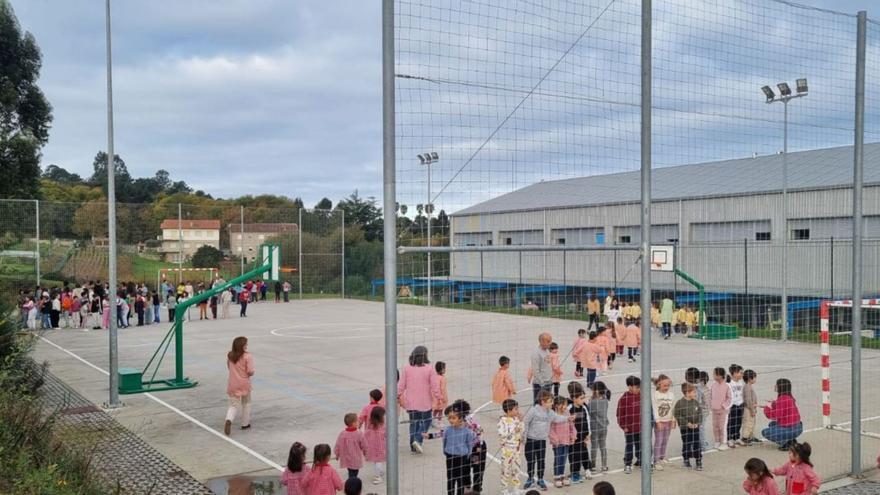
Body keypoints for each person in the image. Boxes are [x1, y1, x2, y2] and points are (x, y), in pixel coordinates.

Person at [522, 390, 570, 490]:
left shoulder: (550, 412)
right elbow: (525, 422)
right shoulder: (533, 411)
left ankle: (540, 478)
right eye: (550, 401)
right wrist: (524, 436)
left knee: (541, 460)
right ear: (543, 402)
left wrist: (567, 419)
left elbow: (557, 418)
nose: (552, 403)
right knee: (530, 460)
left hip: (541, 441)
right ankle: (530, 478)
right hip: (531, 440)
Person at [425, 404, 477, 495]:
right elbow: (444, 440)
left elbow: (470, 445)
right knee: (450, 479)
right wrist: (445, 451)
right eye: (449, 418)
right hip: (450, 457)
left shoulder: (468, 432)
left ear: (460, 418)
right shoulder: (447, 430)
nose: (451, 420)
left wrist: (468, 454)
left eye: (453, 418)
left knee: (461, 479)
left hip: (462, 458)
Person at [398, 345, 441, 454]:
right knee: (427, 421)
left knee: (414, 423)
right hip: (424, 402)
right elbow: (435, 385)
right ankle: (418, 440)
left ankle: (413, 445)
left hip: (411, 403)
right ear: (425, 355)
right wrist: (439, 397)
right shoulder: (429, 368)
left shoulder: (407, 368)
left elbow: (401, 385)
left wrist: (397, 394)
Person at [224, 336, 254, 436]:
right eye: (245, 344)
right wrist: (251, 373)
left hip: (233, 383)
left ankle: (229, 419)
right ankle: (245, 423)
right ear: (241, 346)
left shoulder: (230, 355)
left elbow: (229, 367)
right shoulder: (247, 356)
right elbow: (250, 371)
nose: (247, 345)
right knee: (246, 402)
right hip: (244, 383)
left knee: (233, 405)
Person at [761, 378, 803, 449]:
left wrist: (766, 408)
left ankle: (785, 444)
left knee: (765, 432)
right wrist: (772, 404)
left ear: (781, 387)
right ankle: (790, 439)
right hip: (797, 426)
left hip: (792, 429)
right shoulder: (788, 397)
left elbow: (774, 415)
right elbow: (779, 406)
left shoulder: (782, 399)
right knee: (772, 424)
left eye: (776, 385)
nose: (775, 386)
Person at [673, 382, 703, 471]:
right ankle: (686, 460)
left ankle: (698, 460)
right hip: (685, 429)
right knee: (687, 443)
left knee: (697, 444)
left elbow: (700, 414)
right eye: (694, 392)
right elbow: (677, 414)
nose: (695, 394)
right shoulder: (680, 403)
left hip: (695, 428)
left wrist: (698, 423)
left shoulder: (696, 402)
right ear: (687, 393)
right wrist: (687, 423)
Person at [498, 399, 524, 495]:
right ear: (509, 411)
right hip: (507, 450)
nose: (518, 411)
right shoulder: (502, 421)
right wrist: (514, 429)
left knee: (516, 469)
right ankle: (504, 490)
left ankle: (515, 489)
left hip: (516, 449)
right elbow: (502, 435)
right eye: (515, 409)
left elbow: (521, 430)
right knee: (505, 471)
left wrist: (520, 422)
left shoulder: (516, 419)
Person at [617, 375, 642, 474]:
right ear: (630, 387)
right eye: (637, 387)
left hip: (640, 428)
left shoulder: (642, 395)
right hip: (629, 429)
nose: (639, 389)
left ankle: (640, 461)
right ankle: (627, 464)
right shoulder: (624, 399)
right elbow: (619, 415)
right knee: (629, 446)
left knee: (640, 445)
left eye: (639, 387)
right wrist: (624, 427)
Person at [549, 397, 576, 488]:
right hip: (557, 442)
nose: (565, 406)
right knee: (558, 458)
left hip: (566, 440)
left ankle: (562, 474)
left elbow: (571, 425)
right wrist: (555, 439)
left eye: (566, 404)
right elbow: (550, 429)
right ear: (556, 405)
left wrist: (573, 434)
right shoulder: (553, 415)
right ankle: (557, 476)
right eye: (563, 404)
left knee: (564, 458)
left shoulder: (567, 413)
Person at [568, 384, 592, 483]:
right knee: (574, 455)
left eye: (584, 397)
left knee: (584, 453)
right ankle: (575, 473)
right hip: (573, 438)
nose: (583, 400)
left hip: (583, 436)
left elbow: (588, 420)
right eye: (581, 398)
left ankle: (587, 469)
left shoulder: (584, 408)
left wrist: (588, 434)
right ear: (574, 398)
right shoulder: (569, 409)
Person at [652, 374, 676, 469]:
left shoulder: (671, 395)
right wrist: (657, 421)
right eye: (664, 385)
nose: (667, 387)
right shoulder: (655, 395)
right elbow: (654, 408)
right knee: (659, 440)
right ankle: (656, 460)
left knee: (665, 439)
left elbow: (673, 408)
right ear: (659, 385)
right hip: (660, 422)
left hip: (668, 421)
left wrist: (673, 420)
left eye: (668, 385)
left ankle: (662, 456)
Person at [334, 413, 367, 479]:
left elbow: (337, 445)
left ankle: (351, 479)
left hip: (346, 457)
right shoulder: (359, 433)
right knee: (355, 471)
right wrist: (365, 452)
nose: (358, 422)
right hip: (355, 457)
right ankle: (352, 482)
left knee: (350, 470)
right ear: (353, 423)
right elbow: (364, 444)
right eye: (357, 421)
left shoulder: (342, 433)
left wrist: (337, 454)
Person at [588, 381, 610, 475]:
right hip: (604, 426)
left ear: (596, 391)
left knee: (594, 447)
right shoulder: (605, 400)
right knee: (603, 446)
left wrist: (590, 400)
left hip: (595, 427)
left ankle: (593, 466)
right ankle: (604, 465)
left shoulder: (593, 402)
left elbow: (589, 412)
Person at [363, 406, 386, 485]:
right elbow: (387, 434)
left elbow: (365, 434)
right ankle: (378, 476)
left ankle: (380, 472)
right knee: (378, 461)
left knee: (375, 461)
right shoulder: (382, 425)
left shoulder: (370, 424)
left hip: (371, 446)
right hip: (380, 446)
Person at [711, 366, 732, 450]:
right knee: (715, 426)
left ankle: (724, 442)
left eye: (714, 373)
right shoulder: (713, 385)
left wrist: (723, 406)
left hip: (723, 411)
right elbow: (711, 396)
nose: (713, 375)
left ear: (719, 375)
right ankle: (717, 441)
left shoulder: (727, 386)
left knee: (722, 427)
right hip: (714, 410)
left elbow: (730, 398)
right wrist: (711, 406)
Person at [530, 333, 554, 404]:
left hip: (548, 382)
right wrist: (542, 383)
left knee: (548, 403)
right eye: (548, 341)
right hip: (540, 384)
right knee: (539, 404)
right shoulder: (536, 353)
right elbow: (535, 370)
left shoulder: (547, 351)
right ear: (541, 341)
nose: (550, 343)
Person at [727, 364, 746, 448]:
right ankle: (729, 438)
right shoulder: (729, 383)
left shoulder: (740, 382)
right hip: (732, 405)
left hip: (740, 404)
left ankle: (737, 437)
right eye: (740, 373)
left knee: (738, 422)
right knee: (731, 422)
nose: (742, 375)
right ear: (734, 373)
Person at [742, 369, 761, 445]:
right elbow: (748, 400)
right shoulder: (747, 387)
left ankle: (751, 436)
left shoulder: (749, 386)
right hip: (748, 409)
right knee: (748, 423)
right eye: (754, 377)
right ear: (750, 379)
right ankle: (745, 437)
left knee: (752, 423)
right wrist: (752, 410)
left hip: (751, 408)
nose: (755, 379)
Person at [433, 361, 449, 427]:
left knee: (436, 410)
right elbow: (442, 389)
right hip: (441, 397)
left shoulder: (434, 377)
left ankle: (432, 420)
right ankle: (439, 422)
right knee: (440, 410)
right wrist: (442, 398)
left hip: (435, 396)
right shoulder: (442, 378)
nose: (445, 370)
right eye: (444, 369)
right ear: (441, 369)